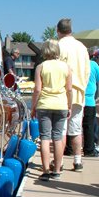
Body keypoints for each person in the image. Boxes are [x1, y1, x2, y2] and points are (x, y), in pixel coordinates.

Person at [31, 39, 72, 180]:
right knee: (58, 137)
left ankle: (46, 170)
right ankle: (57, 171)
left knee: (45, 138)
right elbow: (69, 89)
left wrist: (33, 107)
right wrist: (69, 106)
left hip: (44, 105)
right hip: (61, 105)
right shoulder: (66, 67)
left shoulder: (41, 67)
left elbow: (37, 89)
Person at [57, 18, 91, 171]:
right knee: (76, 129)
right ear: (71, 30)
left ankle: (60, 161)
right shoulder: (82, 47)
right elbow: (87, 71)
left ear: (58, 31)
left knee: (61, 129)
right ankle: (78, 160)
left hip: (62, 93)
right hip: (79, 92)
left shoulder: (59, 46)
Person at [83, 47, 99, 156]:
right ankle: (89, 149)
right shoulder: (94, 65)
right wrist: (98, 97)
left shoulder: (78, 64)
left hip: (76, 99)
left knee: (72, 126)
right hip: (90, 99)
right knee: (89, 126)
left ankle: (69, 148)